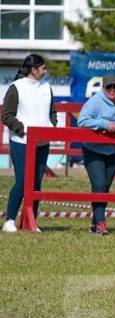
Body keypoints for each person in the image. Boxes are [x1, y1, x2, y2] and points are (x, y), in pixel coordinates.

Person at [78, 73, 115, 235]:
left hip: (113, 149)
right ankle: (100, 223)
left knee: (105, 187)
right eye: (108, 87)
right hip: (93, 149)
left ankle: (94, 223)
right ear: (103, 88)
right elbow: (82, 120)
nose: (112, 90)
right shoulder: (95, 101)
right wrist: (103, 124)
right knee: (98, 185)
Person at [1, 54, 57, 233]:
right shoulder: (16, 87)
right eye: (43, 68)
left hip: (43, 142)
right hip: (21, 141)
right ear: (34, 70)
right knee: (23, 181)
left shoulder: (47, 87)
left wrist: (52, 125)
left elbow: (52, 111)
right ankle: (9, 220)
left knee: (37, 182)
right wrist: (24, 130)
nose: (46, 71)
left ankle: (30, 220)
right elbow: (7, 116)